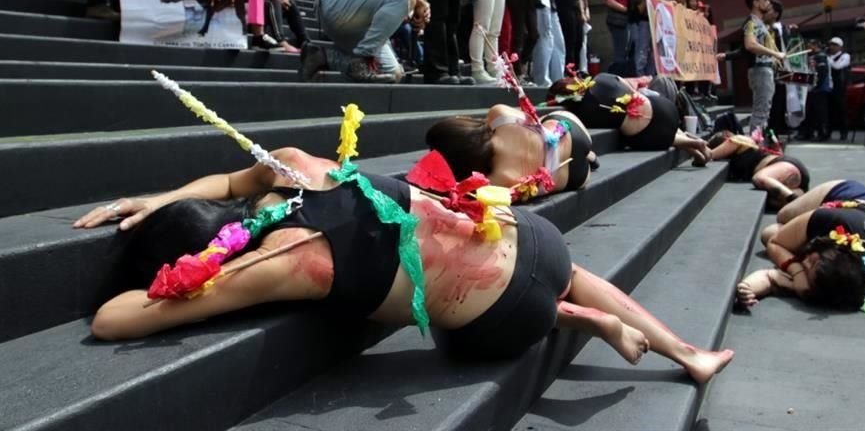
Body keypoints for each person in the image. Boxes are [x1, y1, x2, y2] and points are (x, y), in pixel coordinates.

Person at [73, 147, 733, 380]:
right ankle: (686, 352)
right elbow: (228, 181)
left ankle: (580, 320)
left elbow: (109, 322)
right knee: (540, 268)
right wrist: (161, 196)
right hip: (532, 236)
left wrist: (193, 274)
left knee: (476, 300)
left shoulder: (277, 263)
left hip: (508, 318)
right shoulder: (302, 165)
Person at [738, 179, 865, 310]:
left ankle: (800, 232)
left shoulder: (858, 281)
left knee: (774, 232)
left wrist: (798, 285)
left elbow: (770, 278)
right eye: (812, 262)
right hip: (846, 195)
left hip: (863, 224)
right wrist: (798, 271)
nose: (805, 262)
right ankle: (795, 195)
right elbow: (775, 242)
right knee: (776, 225)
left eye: (809, 270)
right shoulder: (828, 218)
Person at [426, 104, 596, 199]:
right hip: (574, 132)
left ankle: (586, 157)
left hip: (576, 176)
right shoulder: (499, 113)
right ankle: (589, 154)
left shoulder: (492, 183)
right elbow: (532, 120)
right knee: (541, 123)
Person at [548, 73, 712, 163]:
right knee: (660, 122)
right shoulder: (602, 78)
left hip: (650, 132)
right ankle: (693, 143)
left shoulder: (584, 111)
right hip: (664, 107)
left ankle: (692, 144)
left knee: (637, 134)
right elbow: (626, 83)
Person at [705, 131, 809, 209]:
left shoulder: (738, 139)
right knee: (771, 201)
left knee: (759, 178)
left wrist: (693, 144)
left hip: (782, 165)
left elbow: (710, 154)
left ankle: (793, 199)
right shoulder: (739, 154)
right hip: (787, 174)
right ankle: (799, 196)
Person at [742, 0, 785, 132]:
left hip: (765, 70)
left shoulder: (760, 23)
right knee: (761, 111)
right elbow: (750, 44)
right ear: (755, 3)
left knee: (765, 111)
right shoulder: (751, 22)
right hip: (760, 71)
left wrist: (773, 58)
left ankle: (758, 143)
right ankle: (755, 147)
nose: (768, 3)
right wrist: (775, 53)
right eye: (765, 0)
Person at [531, 0, 566, 86]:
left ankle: (558, 80)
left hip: (550, 3)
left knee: (558, 43)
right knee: (545, 40)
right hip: (540, 1)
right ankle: (543, 81)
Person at [795, 39, 832, 141]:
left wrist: (817, 86)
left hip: (820, 89)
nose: (808, 47)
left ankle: (823, 133)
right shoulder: (810, 56)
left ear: (815, 45)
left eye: (810, 45)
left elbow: (822, 73)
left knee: (821, 113)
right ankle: (808, 132)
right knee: (809, 112)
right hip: (810, 88)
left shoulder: (821, 56)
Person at [553, 0, 585, 72]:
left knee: (579, 41)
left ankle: (576, 70)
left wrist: (582, 12)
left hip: (576, 9)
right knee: (570, 41)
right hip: (565, 9)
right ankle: (569, 72)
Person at [625, 0, 654, 77]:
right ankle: (640, 76)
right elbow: (639, 11)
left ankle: (650, 77)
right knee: (641, 53)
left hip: (650, 25)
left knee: (650, 54)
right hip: (641, 25)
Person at [603, 0, 632, 68]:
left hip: (624, 20)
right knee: (621, 50)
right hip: (618, 20)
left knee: (625, 50)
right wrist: (625, 9)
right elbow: (610, 1)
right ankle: (618, 73)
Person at [826, 37, 850, 140]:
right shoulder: (828, 56)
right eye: (831, 45)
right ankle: (828, 132)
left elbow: (838, 66)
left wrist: (828, 60)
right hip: (829, 86)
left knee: (841, 110)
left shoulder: (845, 56)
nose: (832, 47)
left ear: (840, 46)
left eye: (834, 45)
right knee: (829, 111)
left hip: (839, 86)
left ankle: (843, 132)